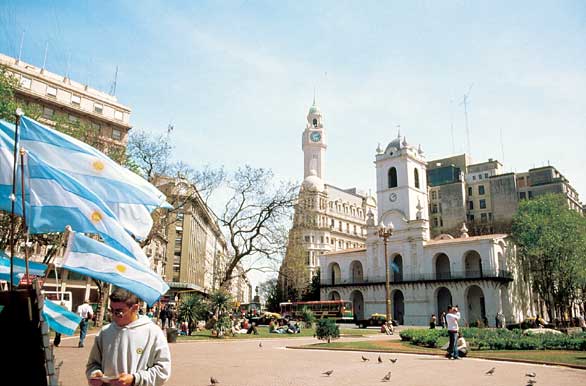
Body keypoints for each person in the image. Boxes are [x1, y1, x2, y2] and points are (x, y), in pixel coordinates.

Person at [86, 287, 171, 386]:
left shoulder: (153, 333)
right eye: (111, 310)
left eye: (118, 312)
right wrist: (94, 374)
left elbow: (163, 370)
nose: (113, 316)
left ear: (134, 308)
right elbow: (92, 364)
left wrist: (135, 379)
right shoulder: (104, 332)